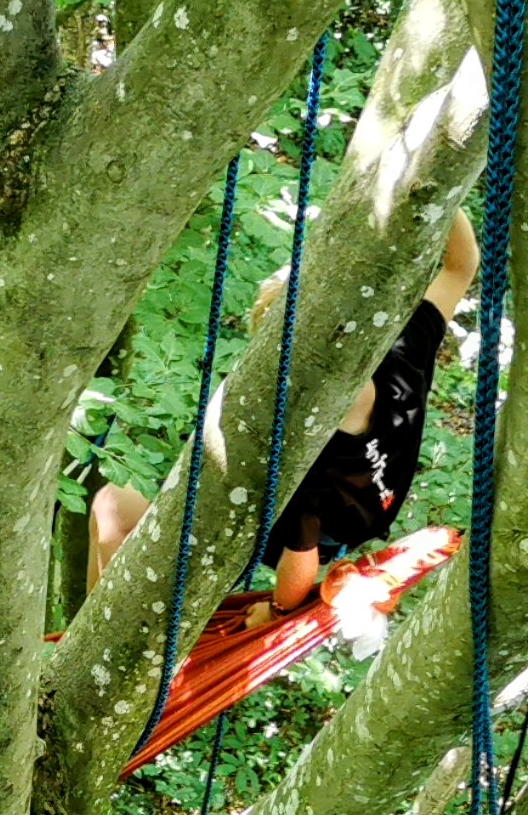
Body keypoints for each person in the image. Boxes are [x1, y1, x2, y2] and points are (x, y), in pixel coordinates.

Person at [91, 211, 479, 617]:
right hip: (366, 508)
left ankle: (100, 624)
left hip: (310, 534)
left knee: (113, 505)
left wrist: (275, 611)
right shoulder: (402, 351)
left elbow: (301, 561)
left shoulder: (301, 453)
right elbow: (461, 266)